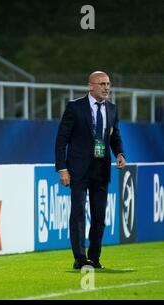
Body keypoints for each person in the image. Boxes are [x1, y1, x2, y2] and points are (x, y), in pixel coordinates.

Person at [55, 71, 126, 270]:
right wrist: (62, 169)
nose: (106, 87)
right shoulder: (75, 107)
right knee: (78, 213)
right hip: (78, 169)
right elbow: (62, 140)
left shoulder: (112, 109)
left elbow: (115, 136)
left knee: (99, 216)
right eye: (102, 83)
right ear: (90, 86)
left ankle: (94, 258)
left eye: (108, 84)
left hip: (101, 169)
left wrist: (120, 153)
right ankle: (80, 257)